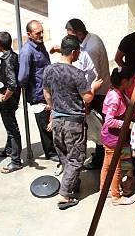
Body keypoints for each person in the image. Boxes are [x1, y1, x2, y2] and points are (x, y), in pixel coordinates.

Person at [43, 35, 102, 210]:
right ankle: (64, 195)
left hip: (57, 121)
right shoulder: (76, 73)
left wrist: (53, 110)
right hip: (73, 122)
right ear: (74, 52)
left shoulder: (49, 70)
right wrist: (94, 87)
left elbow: (47, 94)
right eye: (78, 53)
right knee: (76, 159)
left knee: (64, 155)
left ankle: (72, 184)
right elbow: (87, 97)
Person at [52, 18, 110, 170]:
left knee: (97, 129)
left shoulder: (91, 49)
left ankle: (98, 160)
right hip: (94, 90)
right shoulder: (90, 40)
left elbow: (91, 78)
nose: (68, 37)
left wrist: (86, 103)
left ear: (78, 33)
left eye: (70, 34)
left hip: (97, 93)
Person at [18, 20, 59, 163]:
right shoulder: (27, 52)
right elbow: (23, 76)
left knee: (53, 121)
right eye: (38, 33)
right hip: (38, 94)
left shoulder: (40, 46)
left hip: (49, 90)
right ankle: (51, 152)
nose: (41, 35)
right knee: (45, 125)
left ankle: (55, 148)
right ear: (29, 35)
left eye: (42, 32)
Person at [100, 67, 135, 205]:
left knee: (107, 165)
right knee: (116, 168)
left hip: (110, 137)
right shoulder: (115, 97)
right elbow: (109, 121)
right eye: (131, 80)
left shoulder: (117, 93)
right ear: (124, 81)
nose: (133, 82)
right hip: (113, 138)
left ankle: (104, 190)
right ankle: (116, 196)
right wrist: (127, 124)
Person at [0, 31, 23, 174]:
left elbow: (12, 84)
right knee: (9, 125)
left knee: (12, 129)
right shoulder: (13, 56)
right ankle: (9, 149)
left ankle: (16, 160)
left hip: (8, 99)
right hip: (10, 96)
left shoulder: (7, 60)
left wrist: (4, 97)